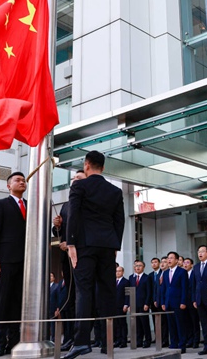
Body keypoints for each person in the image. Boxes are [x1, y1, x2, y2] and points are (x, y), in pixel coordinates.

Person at [64, 151, 126, 359]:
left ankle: (81, 342)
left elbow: (73, 214)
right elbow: (120, 221)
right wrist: (115, 245)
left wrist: (71, 243)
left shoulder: (79, 186)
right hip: (108, 245)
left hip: (85, 245)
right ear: (103, 167)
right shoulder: (115, 191)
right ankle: (108, 341)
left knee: (84, 291)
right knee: (108, 292)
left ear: (86, 165)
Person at [0, 171, 27, 357]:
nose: (22, 182)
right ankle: (0, 343)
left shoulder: (30, 206)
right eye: (18, 180)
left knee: (19, 303)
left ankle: (14, 342)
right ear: (8, 186)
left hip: (25, 262)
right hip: (6, 260)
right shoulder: (0, 205)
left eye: (24, 180)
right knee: (3, 303)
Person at [52, 169, 87, 351]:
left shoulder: (89, 202)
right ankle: (69, 337)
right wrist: (57, 226)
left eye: (79, 178)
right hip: (66, 259)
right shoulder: (66, 205)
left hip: (82, 256)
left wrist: (71, 243)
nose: (74, 180)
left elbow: (87, 230)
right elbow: (59, 233)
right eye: (73, 178)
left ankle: (82, 338)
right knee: (68, 298)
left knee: (82, 297)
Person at [161, 251, 190, 354]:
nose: (169, 260)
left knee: (180, 325)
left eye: (171, 258)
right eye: (168, 258)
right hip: (168, 302)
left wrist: (183, 301)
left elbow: (184, 288)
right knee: (171, 324)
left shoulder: (182, 272)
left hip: (178, 302)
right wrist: (163, 302)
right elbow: (164, 288)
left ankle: (182, 345)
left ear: (177, 260)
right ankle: (173, 343)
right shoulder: (165, 273)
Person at [129, 260, 153, 348]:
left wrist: (147, 303)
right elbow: (129, 292)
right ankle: (139, 340)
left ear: (143, 267)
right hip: (134, 303)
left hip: (143, 304)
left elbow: (149, 292)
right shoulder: (131, 277)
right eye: (136, 265)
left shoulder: (147, 277)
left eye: (139, 265)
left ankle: (147, 340)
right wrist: (129, 304)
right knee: (137, 324)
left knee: (144, 323)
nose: (137, 267)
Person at [183, 257, 201, 349]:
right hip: (184, 302)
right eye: (184, 263)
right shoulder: (182, 274)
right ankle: (189, 340)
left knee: (194, 322)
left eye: (187, 263)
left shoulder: (194, 273)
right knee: (187, 322)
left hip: (193, 301)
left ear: (191, 265)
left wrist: (194, 300)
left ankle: (196, 340)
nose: (185, 264)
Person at [153, 256, 170, 347]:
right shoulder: (159, 274)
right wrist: (155, 299)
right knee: (161, 322)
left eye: (165, 262)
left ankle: (167, 340)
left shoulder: (169, 274)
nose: (162, 264)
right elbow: (156, 289)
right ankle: (162, 340)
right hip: (159, 301)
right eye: (161, 262)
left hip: (167, 301)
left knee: (167, 322)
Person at [115, 266, 129, 348]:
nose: (118, 273)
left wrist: (126, 304)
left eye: (119, 271)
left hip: (122, 306)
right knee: (116, 324)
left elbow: (127, 294)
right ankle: (118, 340)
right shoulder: (113, 281)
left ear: (123, 272)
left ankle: (124, 341)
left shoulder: (126, 282)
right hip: (114, 306)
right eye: (116, 271)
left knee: (122, 324)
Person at [49, 272, 62, 343]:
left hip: (53, 308)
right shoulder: (44, 286)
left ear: (54, 278)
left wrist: (57, 308)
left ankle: (54, 339)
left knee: (53, 325)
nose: (49, 277)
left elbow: (58, 298)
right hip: (45, 309)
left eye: (51, 276)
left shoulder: (56, 286)